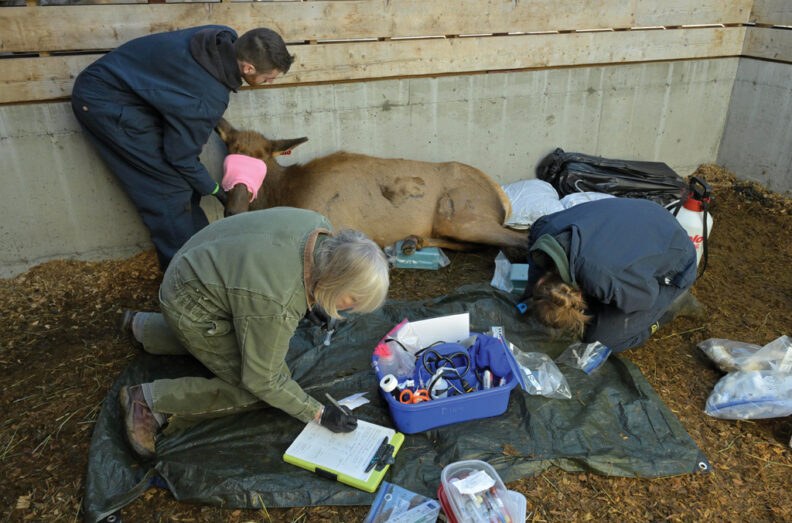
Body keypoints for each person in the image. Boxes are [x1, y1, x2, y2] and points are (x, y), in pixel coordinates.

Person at [117, 207, 390, 459]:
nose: (349, 310)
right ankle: (149, 401)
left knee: (251, 335)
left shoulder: (318, 228)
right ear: (337, 280)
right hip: (190, 303)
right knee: (253, 389)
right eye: (351, 301)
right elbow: (264, 380)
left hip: (195, 261)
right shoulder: (276, 304)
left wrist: (316, 301)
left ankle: (145, 329)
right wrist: (318, 412)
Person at [71, 25, 293, 269]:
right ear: (248, 68)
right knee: (169, 190)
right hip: (104, 102)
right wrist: (217, 191)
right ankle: (185, 279)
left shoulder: (221, 38)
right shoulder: (206, 98)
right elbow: (181, 158)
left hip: (132, 94)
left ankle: (203, 256)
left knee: (185, 184)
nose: (269, 81)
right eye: (268, 76)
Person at [518, 197, 699, 353]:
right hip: (645, 213)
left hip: (676, 263)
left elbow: (645, 298)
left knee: (600, 340)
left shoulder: (605, 278)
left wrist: (605, 299)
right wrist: (528, 294)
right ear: (542, 280)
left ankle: (674, 305)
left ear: (580, 293)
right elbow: (535, 256)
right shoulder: (544, 234)